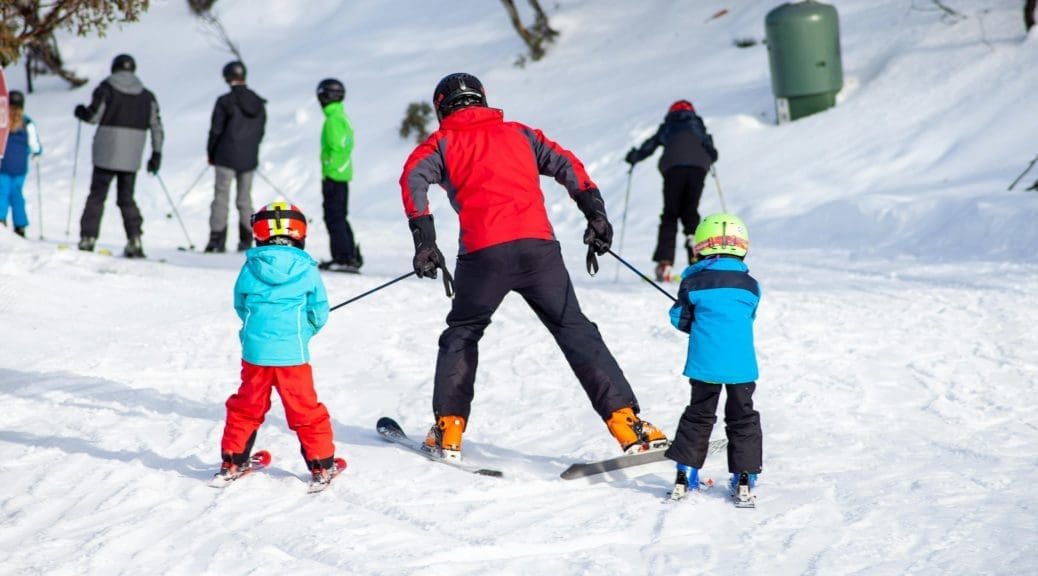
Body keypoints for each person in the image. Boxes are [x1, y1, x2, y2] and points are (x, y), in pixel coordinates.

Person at [399, 72, 668, 461]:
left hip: (483, 255)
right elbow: (568, 166)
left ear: (442, 107)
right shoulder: (520, 134)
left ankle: (449, 431)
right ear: (482, 99)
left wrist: (424, 240)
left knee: (463, 331)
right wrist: (595, 215)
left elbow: (413, 179)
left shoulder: (440, 143)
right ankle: (628, 424)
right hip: (538, 249)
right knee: (575, 330)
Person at [215, 201, 341, 487]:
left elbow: (241, 304)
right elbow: (319, 312)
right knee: (305, 410)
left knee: (246, 406)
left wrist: (256, 330)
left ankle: (233, 459)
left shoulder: (251, 267)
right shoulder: (307, 269)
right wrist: (303, 331)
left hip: (255, 356)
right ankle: (322, 465)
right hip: (292, 358)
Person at [663, 213, 762, 503]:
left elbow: (680, 319)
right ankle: (744, 477)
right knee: (743, 417)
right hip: (742, 367)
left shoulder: (693, 283)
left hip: (704, 365)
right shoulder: (751, 285)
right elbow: (749, 315)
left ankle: (686, 473)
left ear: (701, 246)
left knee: (699, 414)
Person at [73, 53, 163, 258]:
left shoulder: (106, 88)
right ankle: (135, 239)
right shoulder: (147, 96)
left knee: (97, 196)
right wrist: (156, 153)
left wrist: (80, 112)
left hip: (106, 151)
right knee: (126, 198)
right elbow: (157, 127)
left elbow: (93, 116)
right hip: (132, 155)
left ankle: (88, 238)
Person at [625, 100, 718, 282]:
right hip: (698, 168)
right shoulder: (698, 126)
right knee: (691, 213)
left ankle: (664, 264)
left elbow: (649, 147)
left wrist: (633, 157)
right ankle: (696, 257)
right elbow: (713, 152)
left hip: (673, 168)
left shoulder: (668, 126)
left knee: (671, 214)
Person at [205, 60, 267, 253]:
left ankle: (217, 240)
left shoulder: (225, 101)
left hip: (225, 156)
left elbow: (216, 130)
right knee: (245, 199)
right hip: (248, 158)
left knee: (221, 197)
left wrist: (211, 153)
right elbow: (260, 132)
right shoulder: (258, 102)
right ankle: (247, 239)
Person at [315, 78, 362, 272]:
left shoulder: (333, 119)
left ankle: (343, 257)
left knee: (334, 217)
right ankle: (348, 255)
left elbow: (338, 146)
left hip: (334, 175)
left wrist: (329, 167)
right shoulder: (339, 116)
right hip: (340, 174)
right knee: (339, 216)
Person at [0, 90, 43, 237]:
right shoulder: (27, 122)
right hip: (19, 167)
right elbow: (34, 143)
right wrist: (37, 153)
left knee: (2, 193)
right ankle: (20, 226)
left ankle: (1, 220)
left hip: (3, 165)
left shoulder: (2, 121)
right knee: (17, 195)